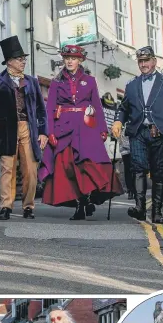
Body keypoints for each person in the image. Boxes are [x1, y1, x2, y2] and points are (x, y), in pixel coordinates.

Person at [39, 45, 123, 220]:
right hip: (63, 129)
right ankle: (79, 203)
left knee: (88, 166)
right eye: (67, 58)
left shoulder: (90, 81)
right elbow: (50, 109)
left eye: (74, 58)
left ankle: (85, 200)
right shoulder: (56, 82)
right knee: (67, 167)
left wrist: (102, 129)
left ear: (80, 60)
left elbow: (97, 107)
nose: (70, 61)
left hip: (86, 128)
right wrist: (50, 132)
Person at [111, 46, 163, 224]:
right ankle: (140, 207)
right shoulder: (131, 85)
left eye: (146, 61)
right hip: (138, 132)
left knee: (160, 172)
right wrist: (118, 121)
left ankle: (157, 212)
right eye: (140, 61)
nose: (143, 64)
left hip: (160, 132)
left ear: (154, 61)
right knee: (138, 168)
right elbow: (123, 108)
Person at [0, 35, 48, 220]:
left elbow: (42, 110)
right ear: (9, 61)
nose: (23, 62)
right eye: (20, 59)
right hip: (5, 128)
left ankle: (28, 206)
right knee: (7, 169)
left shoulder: (32, 81)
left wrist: (43, 132)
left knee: (30, 169)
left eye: (24, 59)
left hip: (28, 127)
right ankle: (6, 206)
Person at [119, 127, 135, 200]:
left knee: (135, 169)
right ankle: (130, 190)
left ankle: (135, 190)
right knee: (128, 169)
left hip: (135, 147)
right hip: (125, 149)